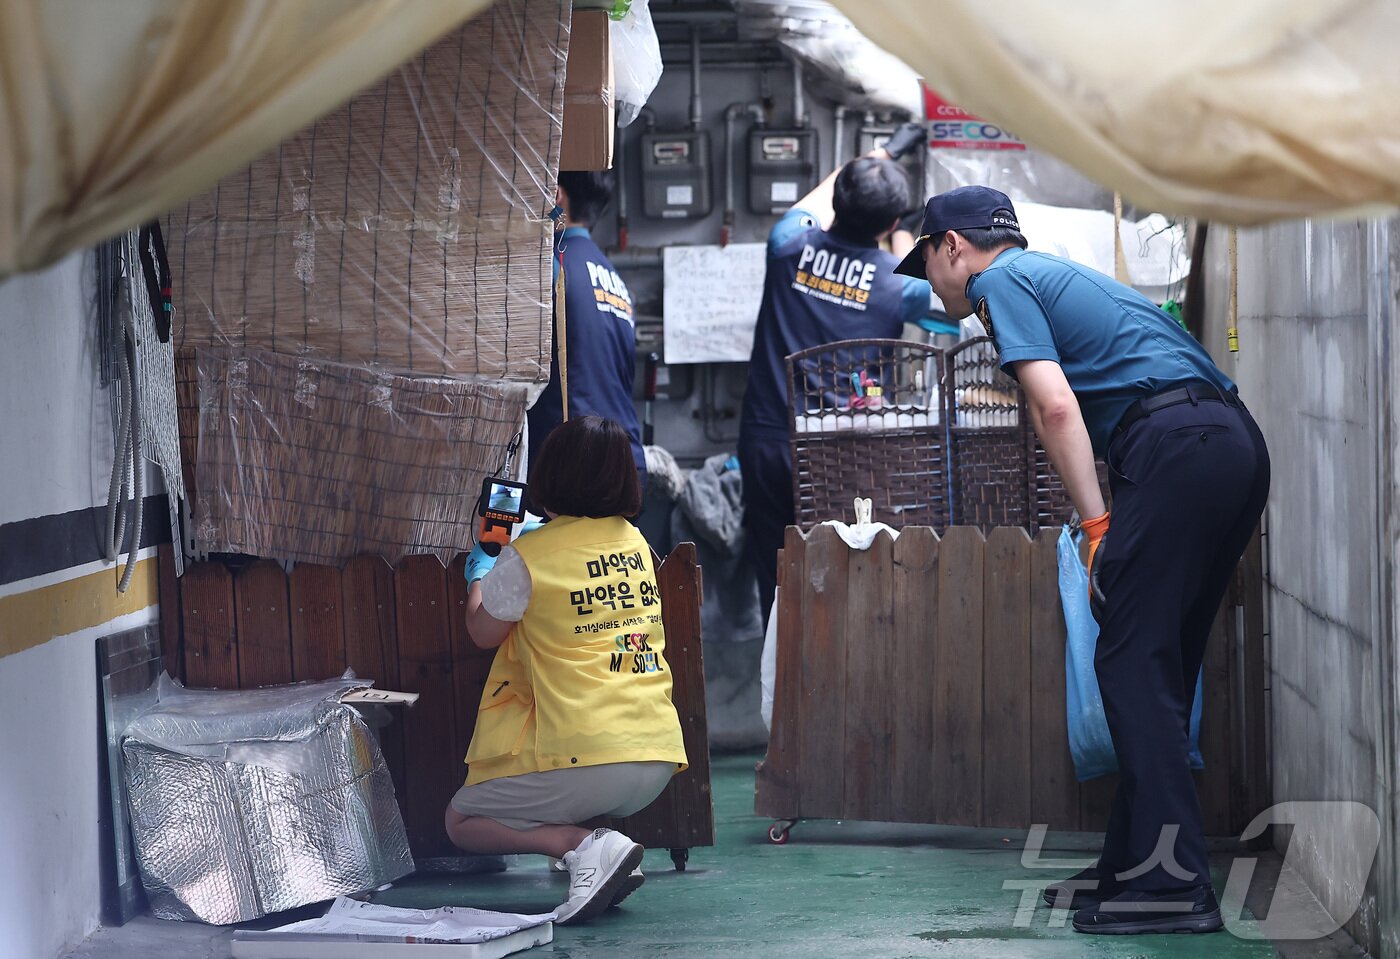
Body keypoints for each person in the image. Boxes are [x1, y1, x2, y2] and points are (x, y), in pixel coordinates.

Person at [895, 186, 1270, 935]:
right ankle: (1137, 864)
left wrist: (1097, 525)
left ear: (951, 248)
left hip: (1176, 449)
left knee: (1129, 663)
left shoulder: (998, 283)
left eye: (927, 262)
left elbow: (1054, 407)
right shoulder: (1059, 276)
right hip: (1229, 444)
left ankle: (1171, 887)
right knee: (1155, 665)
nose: (932, 280)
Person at [444, 415, 687, 925]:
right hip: (657, 754)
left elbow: (482, 631)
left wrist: (486, 567)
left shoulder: (528, 555)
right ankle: (598, 858)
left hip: (587, 757)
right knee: (556, 780)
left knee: (461, 818)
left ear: (550, 478)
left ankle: (582, 847)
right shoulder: (635, 543)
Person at [738, 123, 933, 624]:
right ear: (890, 220)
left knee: (775, 575)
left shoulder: (787, 246)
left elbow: (816, 199)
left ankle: (778, 684)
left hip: (766, 441)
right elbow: (930, 284)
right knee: (843, 576)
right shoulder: (897, 285)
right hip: (839, 451)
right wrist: (904, 231)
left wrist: (881, 152)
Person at [528, 170, 647, 495]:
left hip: (573, 467)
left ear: (556, 196)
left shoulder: (549, 265)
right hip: (625, 461)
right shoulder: (615, 280)